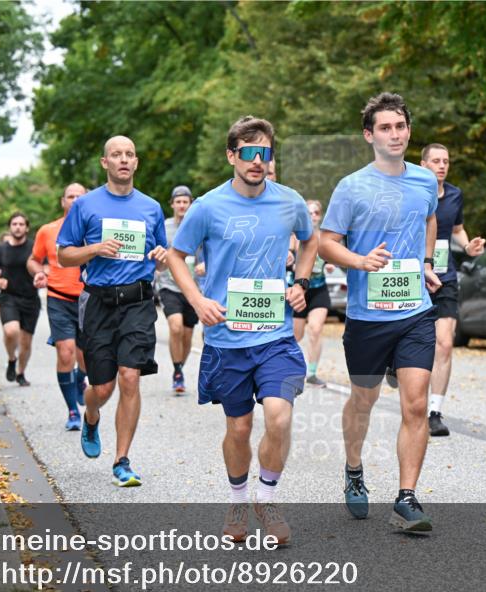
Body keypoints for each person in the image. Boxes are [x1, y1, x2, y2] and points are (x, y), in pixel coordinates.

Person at [166, 116, 317, 545]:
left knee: (279, 415)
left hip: (274, 335)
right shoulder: (208, 207)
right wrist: (198, 300)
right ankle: (237, 498)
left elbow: (311, 240)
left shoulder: (289, 202)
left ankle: (266, 498)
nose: (257, 161)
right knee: (238, 429)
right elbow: (177, 256)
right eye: (248, 153)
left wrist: (301, 284)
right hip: (227, 339)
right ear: (232, 155)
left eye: (264, 153)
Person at [319, 92, 443, 532]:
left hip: (415, 310)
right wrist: (359, 261)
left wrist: (426, 263)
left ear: (409, 130)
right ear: (369, 135)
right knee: (364, 400)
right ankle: (354, 470)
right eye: (385, 127)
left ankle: (406, 498)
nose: (395, 134)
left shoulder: (426, 182)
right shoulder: (352, 186)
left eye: (401, 126)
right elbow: (326, 241)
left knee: (416, 403)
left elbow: (430, 219)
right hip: (367, 315)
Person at [57, 135, 168, 488]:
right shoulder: (86, 206)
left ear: (136, 162)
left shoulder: (151, 207)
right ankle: (91, 416)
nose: (123, 159)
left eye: (130, 154)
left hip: (138, 302)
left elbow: (162, 254)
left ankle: (122, 461)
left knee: (130, 377)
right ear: (105, 163)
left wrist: (162, 258)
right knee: (101, 388)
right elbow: (64, 255)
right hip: (99, 303)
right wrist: (94, 248)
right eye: (116, 154)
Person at [416, 143, 485, 436]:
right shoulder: (413, 192)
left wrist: (468, 246)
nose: (442, 165)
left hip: (445, 276)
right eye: (436, 160)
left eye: (446, 161)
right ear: (423, 164)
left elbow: (456, 230)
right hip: (414, 277)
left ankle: (434, 412)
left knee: (444, 342)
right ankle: (394, 365)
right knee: (414, 342)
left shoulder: (455, 194)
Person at [28, 182, 90, 431]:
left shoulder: (95, 229)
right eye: (70, 196)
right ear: (62, 201)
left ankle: (79, 379)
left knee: (86, 359)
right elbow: (34, 260)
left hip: (89, 299)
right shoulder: (47, 231)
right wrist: (38, 273)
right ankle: (73, 411)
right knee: (66, 351)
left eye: (80, 197)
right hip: (58, 297)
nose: (75, 200)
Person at [0, 213, 40, 387]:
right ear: (10, 226)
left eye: (21, 224)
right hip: (8, 296)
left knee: (26, 342)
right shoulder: (1, 249)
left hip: (30, 299)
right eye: (14, 224)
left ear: (27, 227)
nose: (18, 227)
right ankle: (11, 359)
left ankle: (21, 373)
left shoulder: (34, 247)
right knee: (11, 331)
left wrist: (41, 275)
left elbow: (44, 265)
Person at [156, 185, 199, 394]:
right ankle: (177, 371)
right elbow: (155, 248)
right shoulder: (164, 227)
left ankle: (180, 366)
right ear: (172, 204)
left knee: (188, 335)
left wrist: (204, 265)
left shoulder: (198, 226)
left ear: (190, 204)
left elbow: (207, 252)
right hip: (169, 285)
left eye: (185, 202)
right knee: (176, 327)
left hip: (192, 289)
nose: (182, 205)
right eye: (178, 202)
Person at [292, 200, 332, 387]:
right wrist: (290, 260)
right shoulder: (294, 237)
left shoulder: (324, 237)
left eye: (316, 213)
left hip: (319, 289)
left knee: (315, 329)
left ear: (320, 216)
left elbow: (334, 255)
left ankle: (313, 373)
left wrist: (331, 263)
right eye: (309, 213)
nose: (313, 216)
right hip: (299, 290)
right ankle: (290, 369)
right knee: (295, 335)